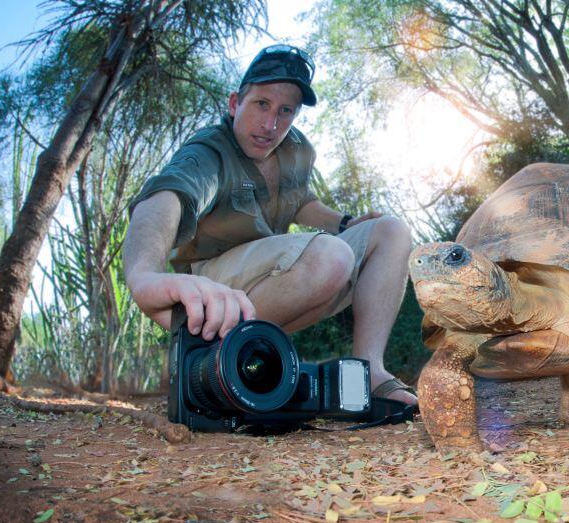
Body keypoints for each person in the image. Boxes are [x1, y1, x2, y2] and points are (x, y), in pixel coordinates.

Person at [122, 45, 417, 407]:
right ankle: (215, 362)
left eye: (285, 111)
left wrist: (346, 222)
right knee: (331, 257)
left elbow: (302, 202)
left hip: (278, 279)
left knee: (392, 231)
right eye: (262, 104)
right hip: (210, 292)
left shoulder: (296, 150)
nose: (271, 124)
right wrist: (143, 274)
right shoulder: (209, 151)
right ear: (235, 104)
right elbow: (165, 197)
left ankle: (369, 369)